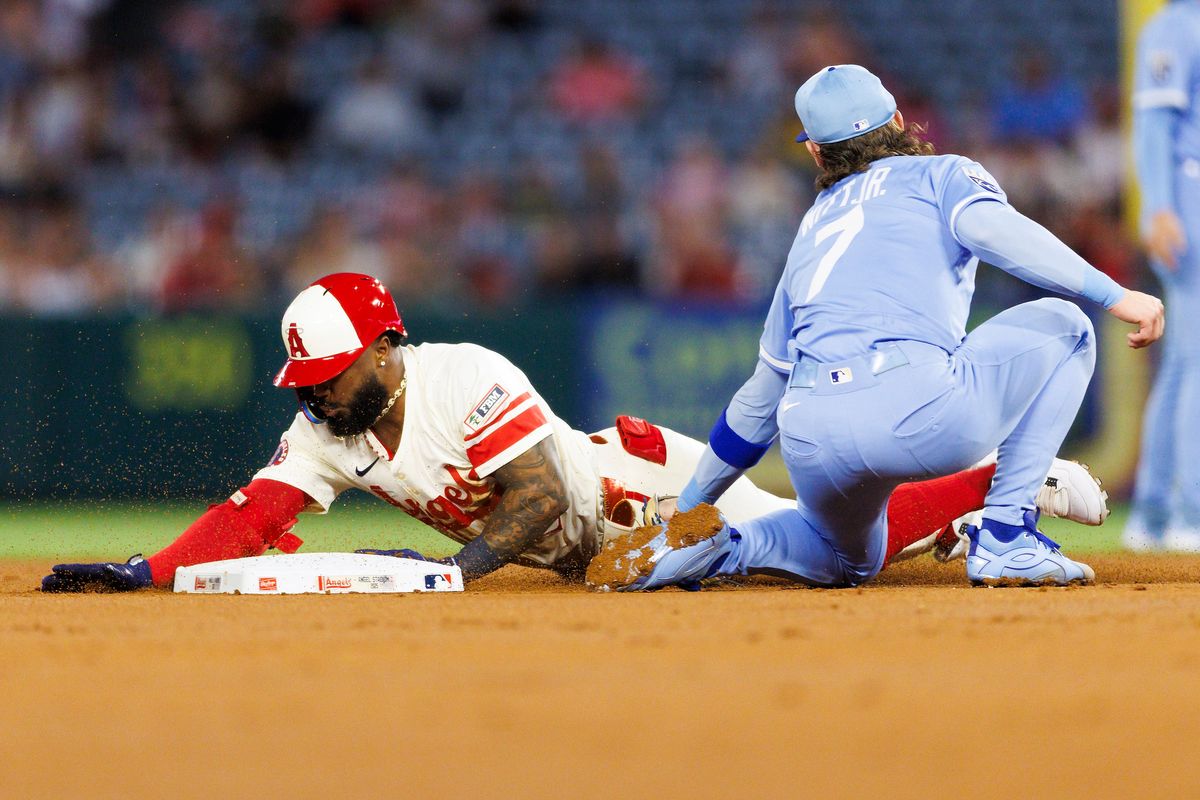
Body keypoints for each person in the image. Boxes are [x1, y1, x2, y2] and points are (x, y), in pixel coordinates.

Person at [41, 273, 1107, 592]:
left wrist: (452, 572)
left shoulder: (465, 375)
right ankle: (966, 514)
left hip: (646, 490)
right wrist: (148, 571)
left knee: (833, 556)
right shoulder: (327, 428)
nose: (313, 395)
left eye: (328, 374)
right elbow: (253, 512)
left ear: (383, 348)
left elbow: (543, 502)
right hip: (600, 553)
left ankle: (995, 481)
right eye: (305, 381)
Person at [588, 65, 1163, 592]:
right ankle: (1006, 538)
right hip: (919, 411)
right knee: (1069, 327)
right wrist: (1114, 294)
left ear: (815, 151)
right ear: (896, 121)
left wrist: (690, 508)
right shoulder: (944, 174)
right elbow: (999, 234)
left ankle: (724, 546)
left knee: (847, 559)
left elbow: (760, 399)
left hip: (812, 436)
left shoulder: (812, 227)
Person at [1124, 0, 1200, 551]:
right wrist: (1159, 207)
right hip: (1187, 197)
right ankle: (1189, 512)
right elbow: (1154, 122)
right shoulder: (1176, 24)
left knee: (1182, 363)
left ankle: (1153, 513)